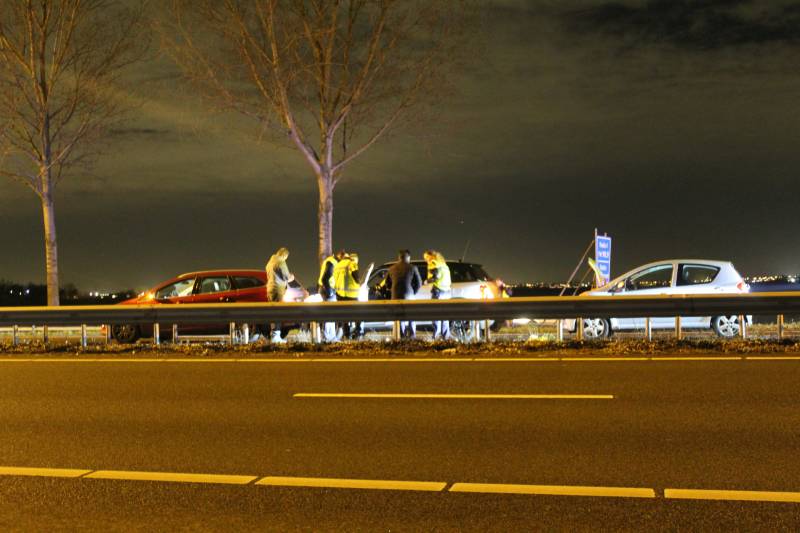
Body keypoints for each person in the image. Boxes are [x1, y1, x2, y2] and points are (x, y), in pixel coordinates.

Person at [383, 250, 422, 338]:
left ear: (399, 257)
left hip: (395, 296)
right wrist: (413, 291)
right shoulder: (413, 268)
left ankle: (401, 336)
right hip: (409, 295)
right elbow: (419, 283)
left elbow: (387, 284)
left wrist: (392, 290)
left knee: (399, 316)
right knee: (411, 315)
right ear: (408, 257)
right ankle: (411, 336)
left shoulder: (391, 268)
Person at [265, 247, 294, 343]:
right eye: (286, 257)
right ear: (284, 255)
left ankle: (273, 335)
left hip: (270, 289)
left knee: (272, 313)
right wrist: (291, 277)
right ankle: (275, 336)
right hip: (278, 289)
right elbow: (286, 276)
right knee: (277, 313)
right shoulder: (281, 262)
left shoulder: (269, 262)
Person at [424, 250, 452, 340]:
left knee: (436, 314)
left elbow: (436, 276)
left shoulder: (433, 263)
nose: (426, 260)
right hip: (447, 292)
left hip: (438, 291)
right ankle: (446, 337)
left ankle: (436, 336)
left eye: (426, 257)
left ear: (431, 257)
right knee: (445, 315)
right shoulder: (444, 265)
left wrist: (426, 281)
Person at [334, 253, 363, 339]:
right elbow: (357, 279)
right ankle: (358, 331)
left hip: (340, 295)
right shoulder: (352, 264)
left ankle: (346, 334)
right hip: (352, 294)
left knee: (344, 315)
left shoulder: (337, 265)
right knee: (358, 314)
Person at [318, 249, 345, 341]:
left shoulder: (331, 261)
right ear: (341, 257)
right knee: (329, 315)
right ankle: (328, 338)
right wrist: (330, 292)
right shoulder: (332, 263)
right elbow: (325, 279)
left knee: (330, 315)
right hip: (327, 290)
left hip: (327, 289)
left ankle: (330, 337)